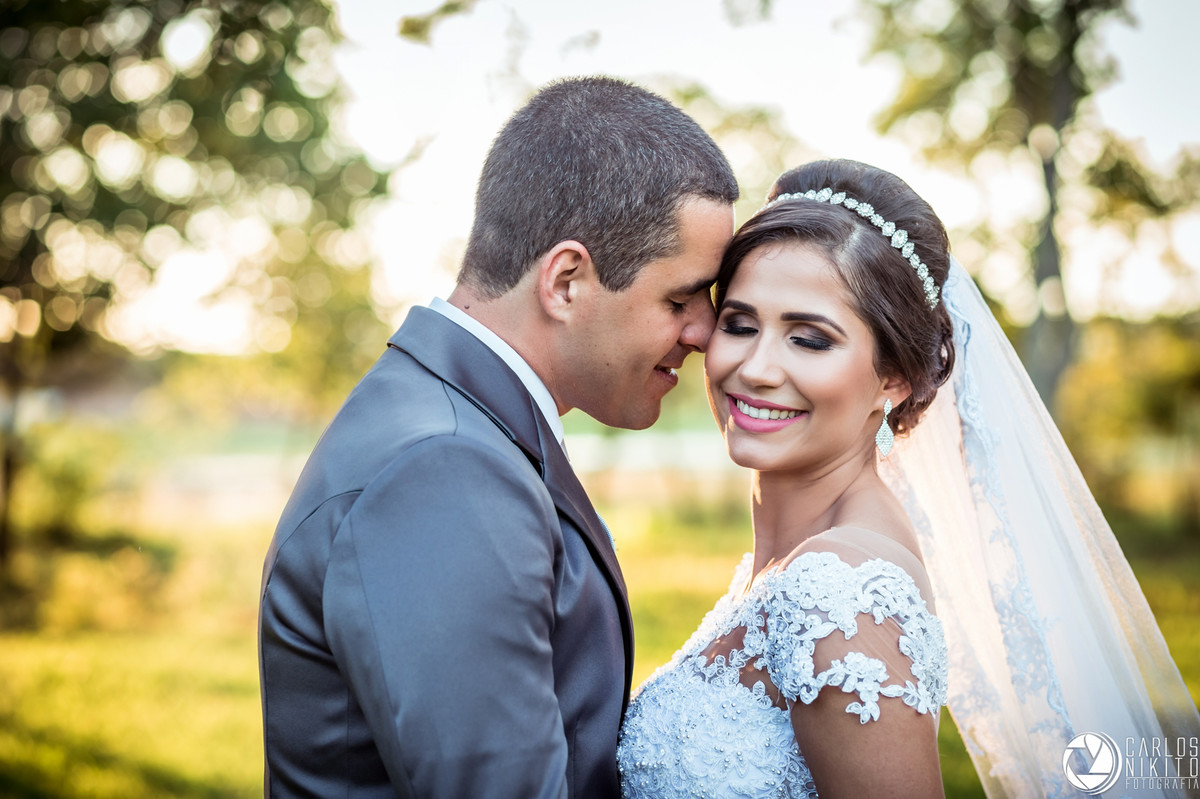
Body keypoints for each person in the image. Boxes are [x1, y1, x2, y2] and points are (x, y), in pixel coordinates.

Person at [617, 159, 1200, 798]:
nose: (756, 367)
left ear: (893, 378)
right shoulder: (795, 562)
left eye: (810, 340)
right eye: (740, 324)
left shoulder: (838, 590)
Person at [258, 76, 738, 798]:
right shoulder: (443, 469)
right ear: (567, 281)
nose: (704, 332)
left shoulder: (454, 425)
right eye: (679, 298)